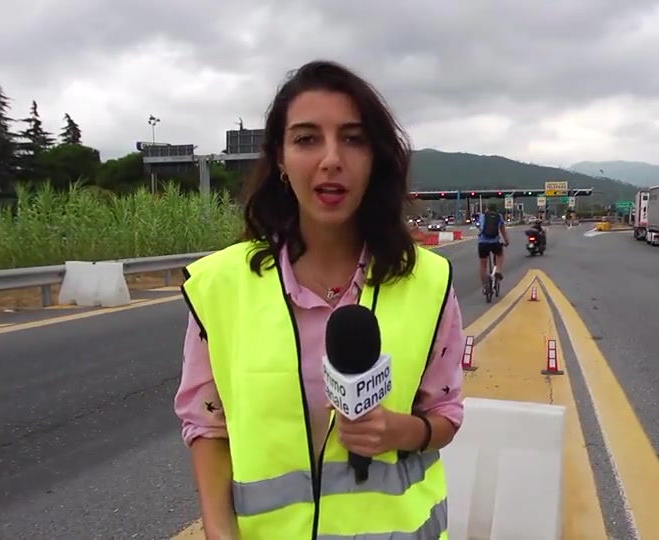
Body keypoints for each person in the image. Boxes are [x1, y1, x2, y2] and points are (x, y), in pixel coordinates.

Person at [174, 60, 465, 539]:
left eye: (353, 139)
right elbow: (206, 426)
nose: (332, 158)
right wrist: (219, 531)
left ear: (375, 159)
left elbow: (445, 415)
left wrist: (399, 431)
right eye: (307, 139)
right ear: (281, 161)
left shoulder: (428, 282)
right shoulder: (221, 287)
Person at [476, 204, 509, 289]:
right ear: (496, 210)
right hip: (494, 243)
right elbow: (503, 231)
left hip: (483, 243)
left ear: (487, 209)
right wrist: (506, 241)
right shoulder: (499, 217)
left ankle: (484, 285)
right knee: (500, 254)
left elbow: (479, 227)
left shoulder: (482, 216)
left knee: (483, 263)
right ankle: (498, 270)